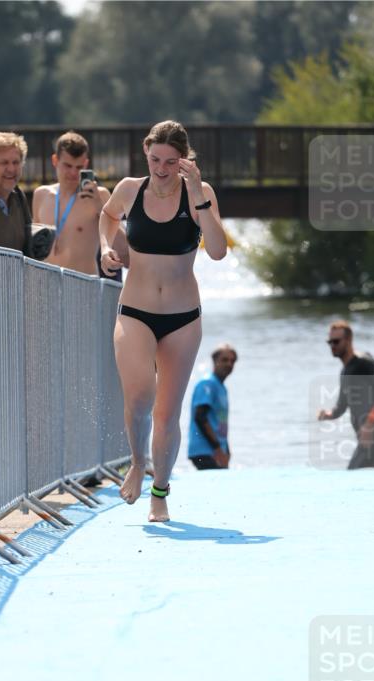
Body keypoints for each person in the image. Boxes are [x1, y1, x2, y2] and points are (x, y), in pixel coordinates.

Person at [99, 120, 228, 522]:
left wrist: (197, 195)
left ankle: (160, 491)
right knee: (139, 396)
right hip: (135, 310)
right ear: (146, 153)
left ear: (185, 162)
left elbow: (219, 251)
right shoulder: (127, 189)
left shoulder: (199, 194)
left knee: (167, 414)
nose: (161, 168)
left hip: (182, 319)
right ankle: (138, 462)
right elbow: (108, 217)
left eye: (171, 162)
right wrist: (106, 247)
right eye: (155, 159)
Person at [32, 131, 128, 276]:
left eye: (78, 167)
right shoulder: (41, 195)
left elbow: (124, 250)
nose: (73, 172)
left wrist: (100, 209)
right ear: (55, 160)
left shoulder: (99, 195)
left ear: (86, 164)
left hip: (84, 288)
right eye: (67, 165)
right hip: (47, 286)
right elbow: (35, 250)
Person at [318, 321, 374, 469]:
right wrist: (328, 414)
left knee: (353, 472)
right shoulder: (345, 372)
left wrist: (369, 423)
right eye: (330, 342)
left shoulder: (363, 362)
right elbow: (341, 406)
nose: (332, 345)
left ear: (349, 341)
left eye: (336, 341)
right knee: (370, 480)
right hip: (365, 437)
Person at [188, 344, 238, 470]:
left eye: (232, 361)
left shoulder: (221, 387)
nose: (229, 364)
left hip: (217, 450)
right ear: (215, 361)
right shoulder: (208, 384)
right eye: (225, 360)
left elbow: (219, 422)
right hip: (205, 451)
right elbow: (200, 417)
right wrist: (217, 449)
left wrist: (226, 450)